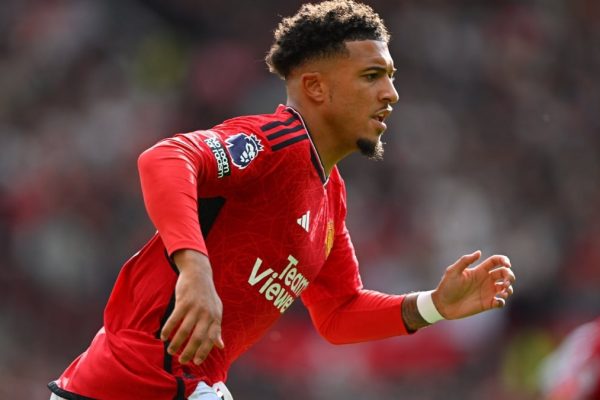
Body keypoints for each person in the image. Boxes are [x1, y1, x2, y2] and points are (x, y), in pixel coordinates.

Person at [48, 1, 515, 399]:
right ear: (315, 87)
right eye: (371, 76)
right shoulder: (276, 144)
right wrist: (195, 268)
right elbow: (165, 159)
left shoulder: (330, 196)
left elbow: (338, 311)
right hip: (136, 377)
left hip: (176, 384)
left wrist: (434, 306)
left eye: (390, 77)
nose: (391, 94)